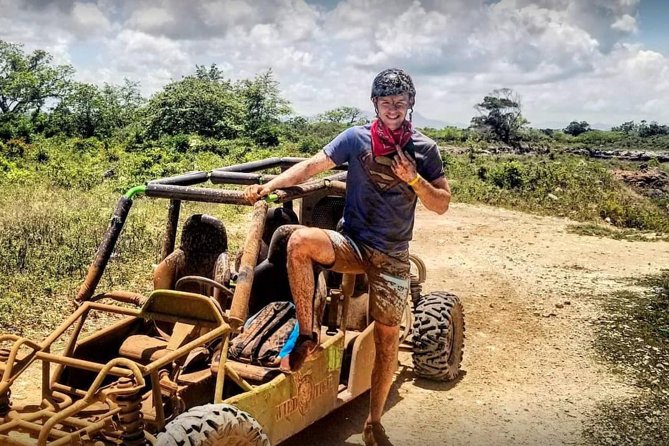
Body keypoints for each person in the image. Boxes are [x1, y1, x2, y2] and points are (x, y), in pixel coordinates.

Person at [244, 68, 451, 446]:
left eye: (399, 102)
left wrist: (414, 180)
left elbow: (442, 204)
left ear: (410, 105)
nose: (393, 108)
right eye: (386, 102)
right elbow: (312, 166)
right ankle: (307, 334)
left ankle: (374, 421)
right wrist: (268, 187)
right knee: (298, 241)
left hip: (391, 256)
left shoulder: (424, 149)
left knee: (388, 338)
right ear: (375, 104)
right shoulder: (356, 139)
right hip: (352, 244)